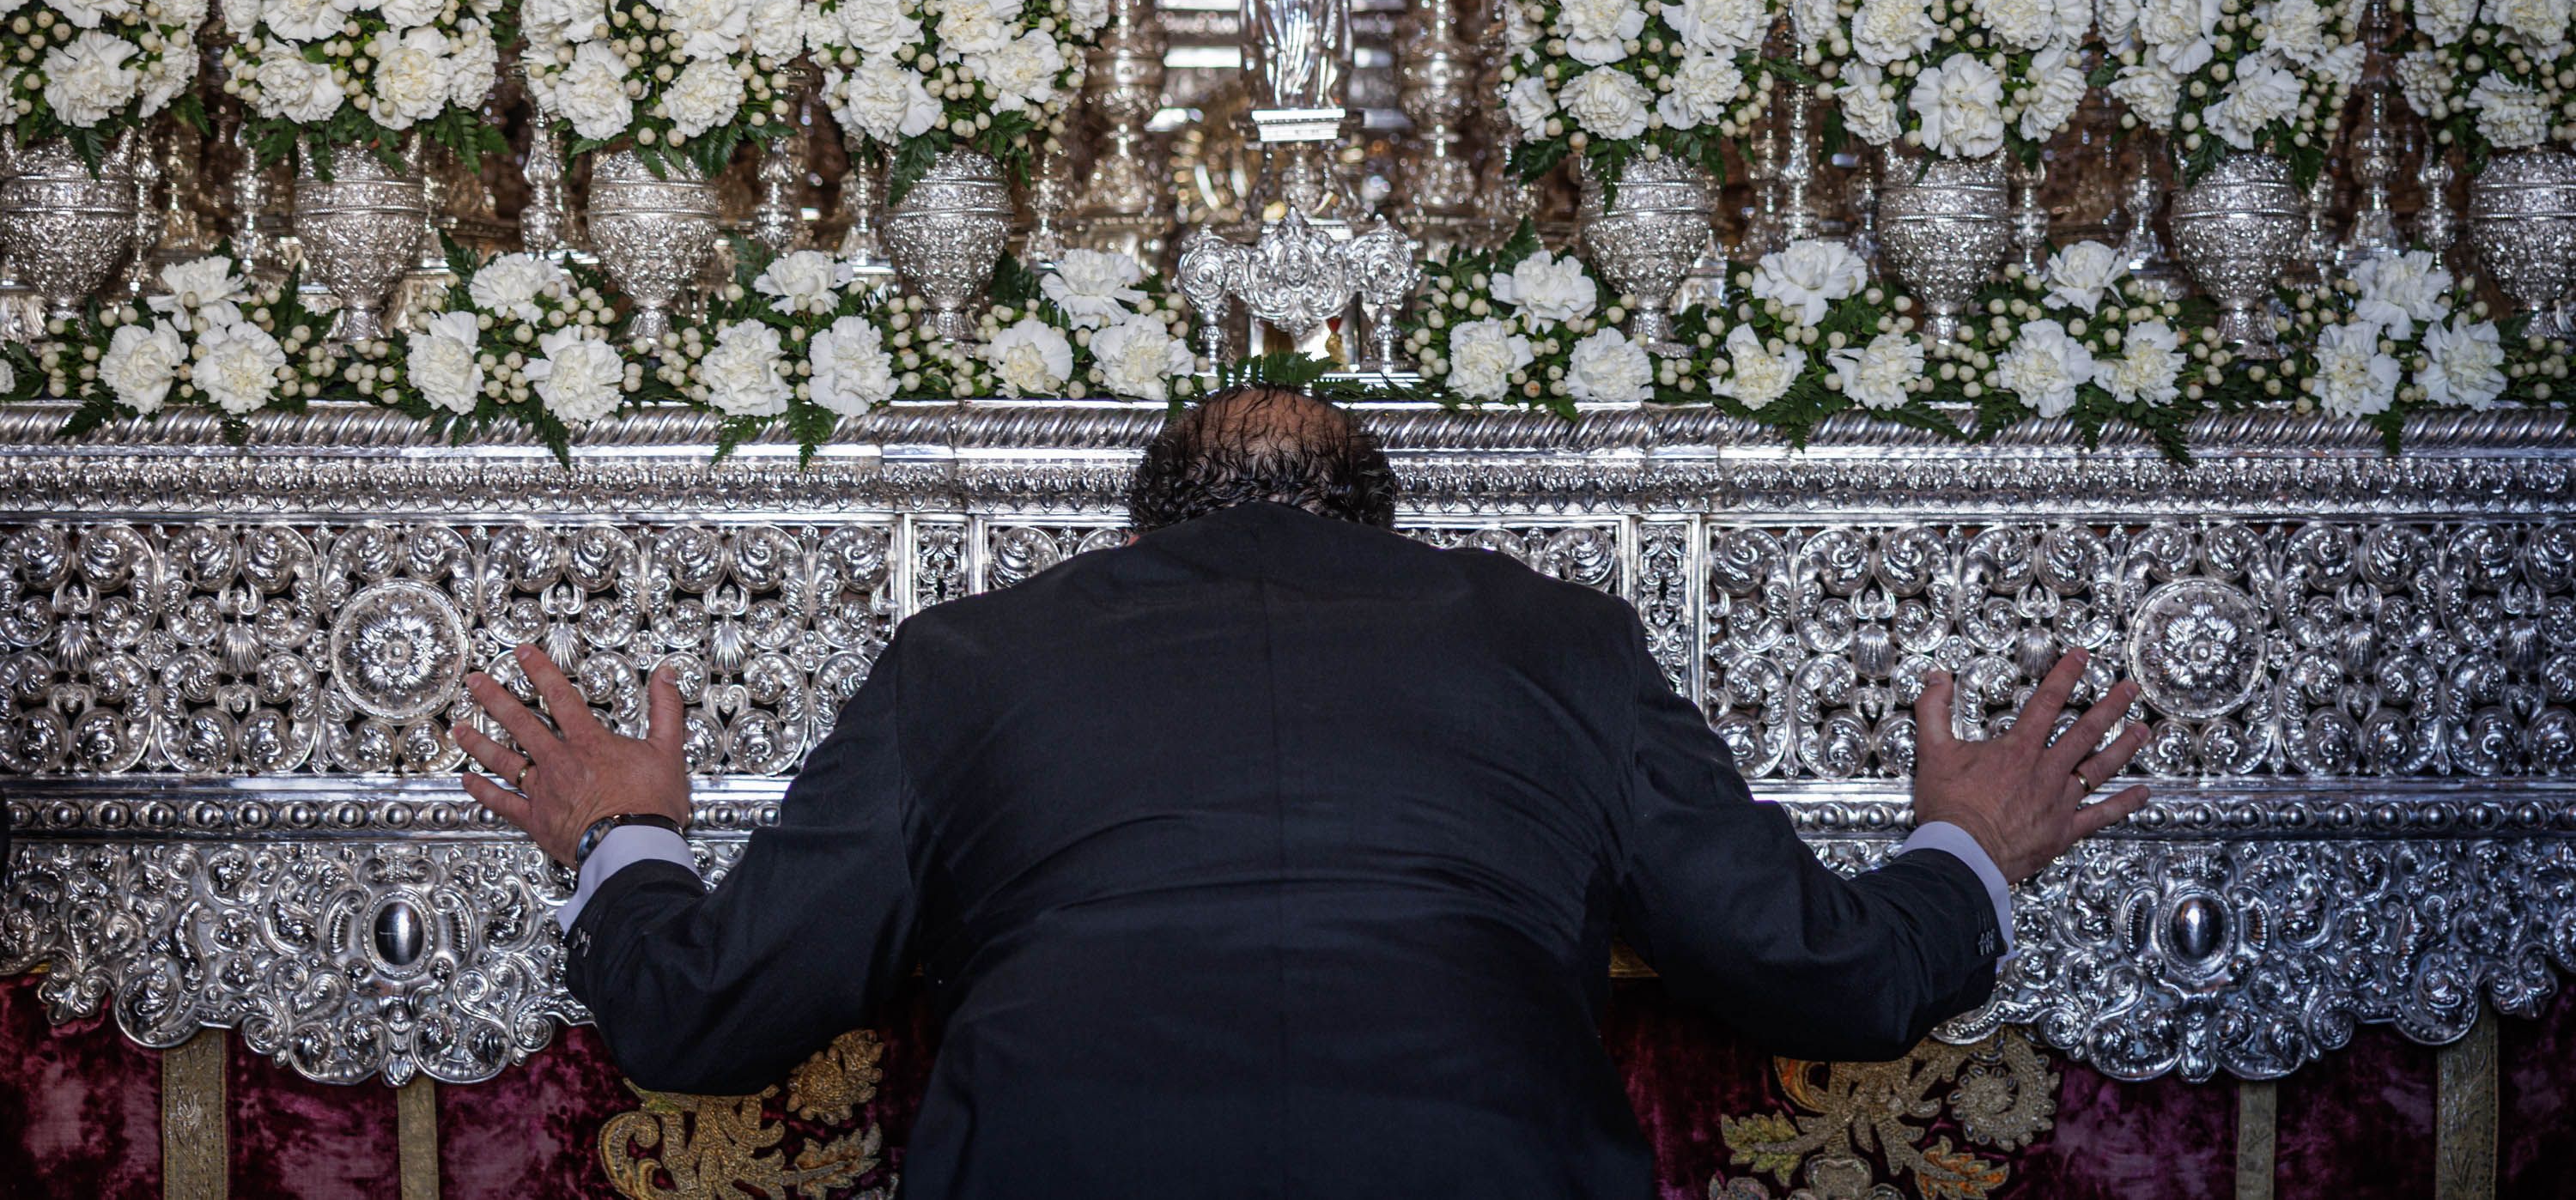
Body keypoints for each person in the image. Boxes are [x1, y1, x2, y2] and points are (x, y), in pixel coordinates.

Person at [457, 387, 2148, 1197]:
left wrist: (627, 833)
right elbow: (1825, 974)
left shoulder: (974, 653)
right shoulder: (1558, 640)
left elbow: (703, 1015)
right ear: (1386, 533)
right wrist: (1969, 847)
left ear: (1133, 541)